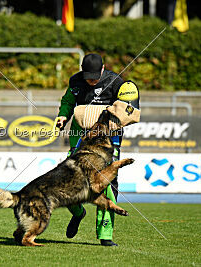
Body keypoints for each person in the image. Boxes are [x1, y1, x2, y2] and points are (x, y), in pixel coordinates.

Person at [55, 53, 140, 246]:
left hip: (107, 135)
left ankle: (105, 235)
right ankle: (78, 213)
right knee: (68, 177)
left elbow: (128, 108)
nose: (91, 81)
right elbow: (68, 101)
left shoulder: (115, 81)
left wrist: (124, 114)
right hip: (80, 131)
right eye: (88, 76)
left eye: (95, 76)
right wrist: (62, 116)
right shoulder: (76, 80)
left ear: (102, 70)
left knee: (108, 182)